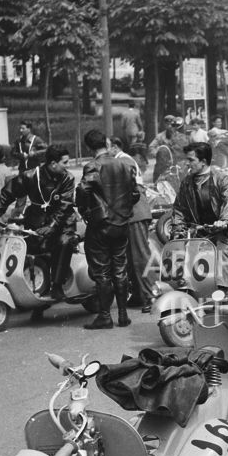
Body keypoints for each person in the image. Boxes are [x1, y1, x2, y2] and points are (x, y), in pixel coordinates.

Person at [0, 144, 78, 301]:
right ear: (53, 163)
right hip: (37, 219)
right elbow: (7, 194)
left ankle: (57, 286)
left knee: (64, 242)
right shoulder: (29, 176)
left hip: (63, 221)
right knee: (23, 246)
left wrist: (51, 226)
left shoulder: (68, 178)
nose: (68, 166)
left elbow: (65, 206)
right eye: (65, 162)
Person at [75, 129, 140, 329]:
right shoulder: (124, 163)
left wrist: (86, 210)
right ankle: (122, 315)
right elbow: (135, 193)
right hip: (121, 224)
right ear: (106, 142)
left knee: (102, 272)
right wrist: (123, 210)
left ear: (89, 147)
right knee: (120, 269)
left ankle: (105, 316)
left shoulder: (93, 166)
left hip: (100, 225)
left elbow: (82, 191)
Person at [168, 141, 228, 288]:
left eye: (191, 160)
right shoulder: (187, 182)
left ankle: (226, 291)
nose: (187, 163)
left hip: (223, 232)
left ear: (203, 162)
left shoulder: (222, 179)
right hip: (198, 233)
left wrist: (224, 221)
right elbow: (179, 209)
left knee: (222, 250)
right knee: (178, 254)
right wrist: (177, 228)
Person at [111, 138, 155, 312]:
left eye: (108, 148)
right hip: (133, 212)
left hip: (135, 212)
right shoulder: (125, 160)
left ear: (115, 147)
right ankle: (138, 293)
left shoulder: (123, 160)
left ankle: (151, 295)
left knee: (140, 256)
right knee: (131, 256)